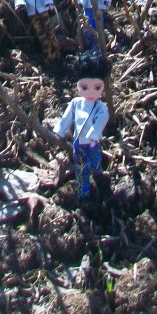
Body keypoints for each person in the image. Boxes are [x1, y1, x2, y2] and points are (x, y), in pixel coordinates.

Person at [54, 51, 111, 201]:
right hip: (79, 144)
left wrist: (94, 133)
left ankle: (99, 176)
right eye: (85, 88)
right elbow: (67, 117)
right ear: (78, 86)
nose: (91, 92)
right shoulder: (76, 103)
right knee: (81, 169)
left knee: (95, 162)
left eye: (97, 88)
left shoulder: (100, 107)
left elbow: (102, 119)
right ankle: (84, 192)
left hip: (92, 143)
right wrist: (60, 131)